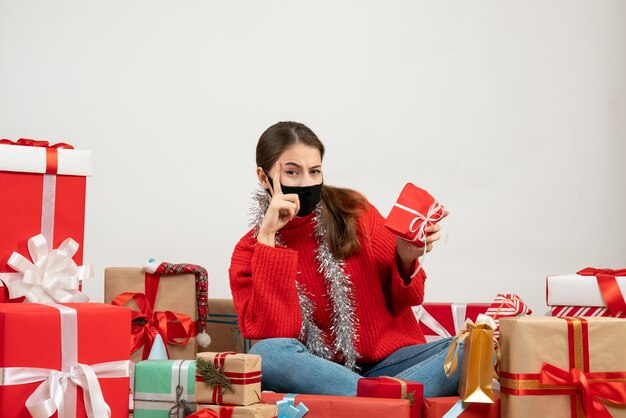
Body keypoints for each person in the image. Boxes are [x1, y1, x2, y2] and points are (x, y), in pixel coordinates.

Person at [229, 121, 460, 397]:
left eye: (314, 171)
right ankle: (385, 402)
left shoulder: (353, 211)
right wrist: (268, 239)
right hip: (317, 376)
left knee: (471, 350)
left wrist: (407, 257)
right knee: (266, 354)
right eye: (292, 172)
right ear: (264, 177)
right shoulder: (248, 252)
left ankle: (373, 403)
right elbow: (275, 333)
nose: (306, 183)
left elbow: (406, 300)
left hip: (393, 366)